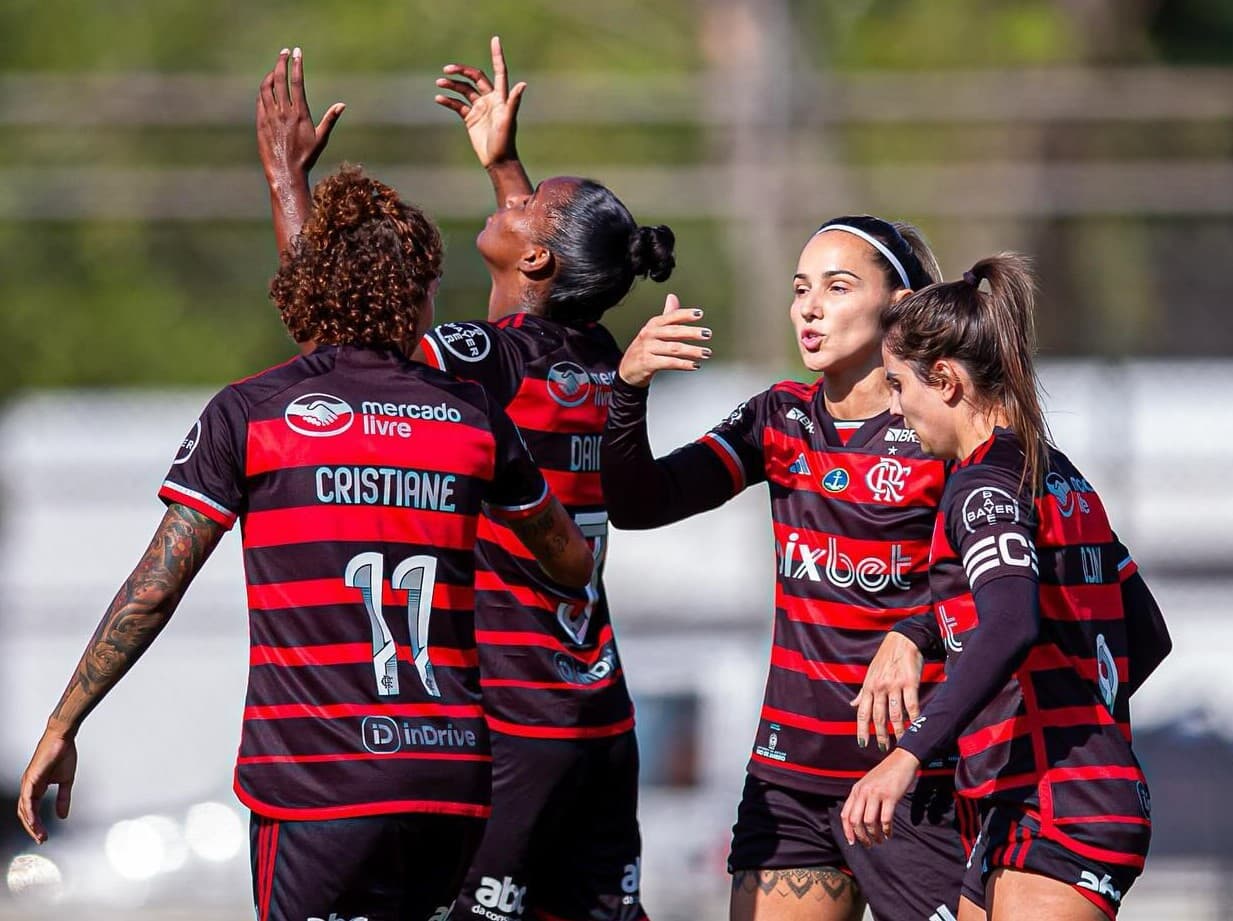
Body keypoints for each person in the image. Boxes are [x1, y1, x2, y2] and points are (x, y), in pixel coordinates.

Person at [17, 91, 594, 920]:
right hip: (451, 778)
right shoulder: (469, 417)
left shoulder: (255, 413)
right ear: (416, 296)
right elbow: (570, 561)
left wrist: (66, 719)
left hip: (318, 783)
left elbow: (157, 583)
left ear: (313, 287)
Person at [255, 41, 671, 921]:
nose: (512, 200)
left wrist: (288, 184)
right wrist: (504, 167)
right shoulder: (592, 355)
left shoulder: (470, 361)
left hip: (515, 717)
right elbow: (535, 298)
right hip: (597, 707)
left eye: (527, 204)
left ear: (536, 262)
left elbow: (342, 353)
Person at [603, 217, 970, 921]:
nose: (808, 306)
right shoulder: (778, 417)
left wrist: (916, 632)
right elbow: (638, 504)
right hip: (791, 781)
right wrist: (629, 387)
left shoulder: (942, 426)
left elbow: (993, 588)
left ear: (897, 301)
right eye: (800, 288)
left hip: (914, 778)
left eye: (836, 286)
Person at [840, 254, 1171, 921]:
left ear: (947, 380)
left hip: (1057, 806)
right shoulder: (1055, 472)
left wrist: (907, 754)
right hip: (1029, 801)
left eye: (900, 386)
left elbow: (1010, 621)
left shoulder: (982, 485)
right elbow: (1145, 631)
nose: (897, 410)